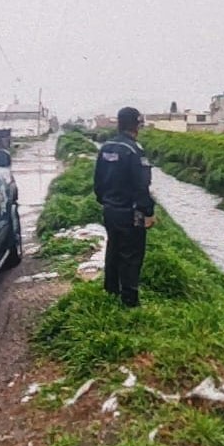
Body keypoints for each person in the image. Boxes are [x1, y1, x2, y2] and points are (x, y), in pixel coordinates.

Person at [93, 106, 156, 307]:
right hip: (130, 212)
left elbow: (98, 181)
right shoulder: (134, 150)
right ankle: (130, 301)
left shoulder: (106, 147)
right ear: (136, 125)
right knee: (131, 255)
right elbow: (141, 185)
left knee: (113, 249)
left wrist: (105, 201)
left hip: (110, 210)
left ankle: (111, 291)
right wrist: (148, 212)